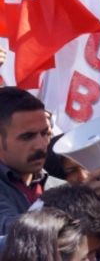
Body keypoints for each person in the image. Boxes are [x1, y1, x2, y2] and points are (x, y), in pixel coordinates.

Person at [0, 88, 52, 234]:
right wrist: (73, 203)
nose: (41, 145)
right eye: (27, 136)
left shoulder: (58, 185)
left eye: (44, 133)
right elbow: (11, 232)